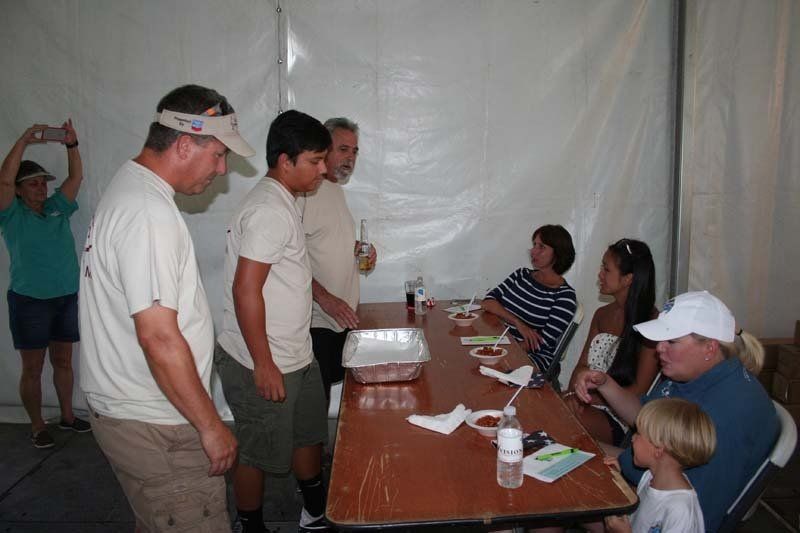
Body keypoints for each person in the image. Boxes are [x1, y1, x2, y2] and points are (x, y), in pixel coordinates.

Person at [80, 84, 254, 532]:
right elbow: (158, 336)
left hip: (134, 412)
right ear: (183, 145)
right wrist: (210, 425)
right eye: (218, 155)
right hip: (158, 425)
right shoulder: (147, 213)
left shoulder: (129, 187)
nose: (222, 169)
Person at [573, 290, 780, 532]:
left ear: (709, 348)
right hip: (644, 470)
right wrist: (605, 384)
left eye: (671, 341)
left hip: (650, 502)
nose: (658, 348)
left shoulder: (725, 418)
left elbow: (695, 515)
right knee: (560, 450)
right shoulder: (694, 375)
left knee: (557, 491)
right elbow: (647, 417)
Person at [215, 110, 331, 533]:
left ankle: (315, 512)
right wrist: (263, 364)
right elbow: (246, 290)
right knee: (257, 451)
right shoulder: (269, 210)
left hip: (296, 353)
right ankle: (251, 526)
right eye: (315, 161)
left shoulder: (284, 201)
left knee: (308, 434)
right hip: (263, 360)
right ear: (285, 161)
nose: (323, 170)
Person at [0, 120, 89, 449]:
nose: (41, 189)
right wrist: (24, 139)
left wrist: (72, 144)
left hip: (65, 297)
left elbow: (75, 178)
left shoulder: (56, 209)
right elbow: (4, 179)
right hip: (30, 301)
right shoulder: (11, 215)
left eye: (42, 183)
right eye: (33, 184)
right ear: (18, 190)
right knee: (33, 368)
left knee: (63, 361)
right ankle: (38, 425)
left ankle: (67, 415)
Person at [297, 117, 377, 403]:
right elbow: (289, 260)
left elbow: (322, 242)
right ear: (323, 149)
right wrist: (325, 299)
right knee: (314, 408)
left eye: (354, 151)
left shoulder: (335, 190)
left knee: (332, 399)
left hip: (340, 320)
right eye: (343, 149)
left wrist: (357, 249)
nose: (350, 158)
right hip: (316, 321)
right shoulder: (305, 194)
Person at [563, 239, 659, 446]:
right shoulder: (602, 314)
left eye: (606, 269)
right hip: (588, 400)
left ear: (627, 279)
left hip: (622, 416)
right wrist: (574, 393)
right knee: (544, 403)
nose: (599, 274)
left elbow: (639, 392)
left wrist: (588, 399)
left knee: (561, 419)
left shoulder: (652, 324)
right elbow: (582, 365)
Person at [601, 398, 715, 533]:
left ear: (658, 450)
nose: (632, 438)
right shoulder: (650, 477)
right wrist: (619, 481)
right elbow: (643, 508)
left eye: (638, 434)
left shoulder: (680, 510)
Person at [483, 224, 577, 376]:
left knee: (488, 370)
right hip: (501, 341)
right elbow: (488, 302)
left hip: (532, 355)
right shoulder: (521, 275)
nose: (533, 251)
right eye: (534, 245)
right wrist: (518, 323)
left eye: (542, 247)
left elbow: (542, 343)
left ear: (558, 253)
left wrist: (502, 352)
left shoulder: (565, 296)